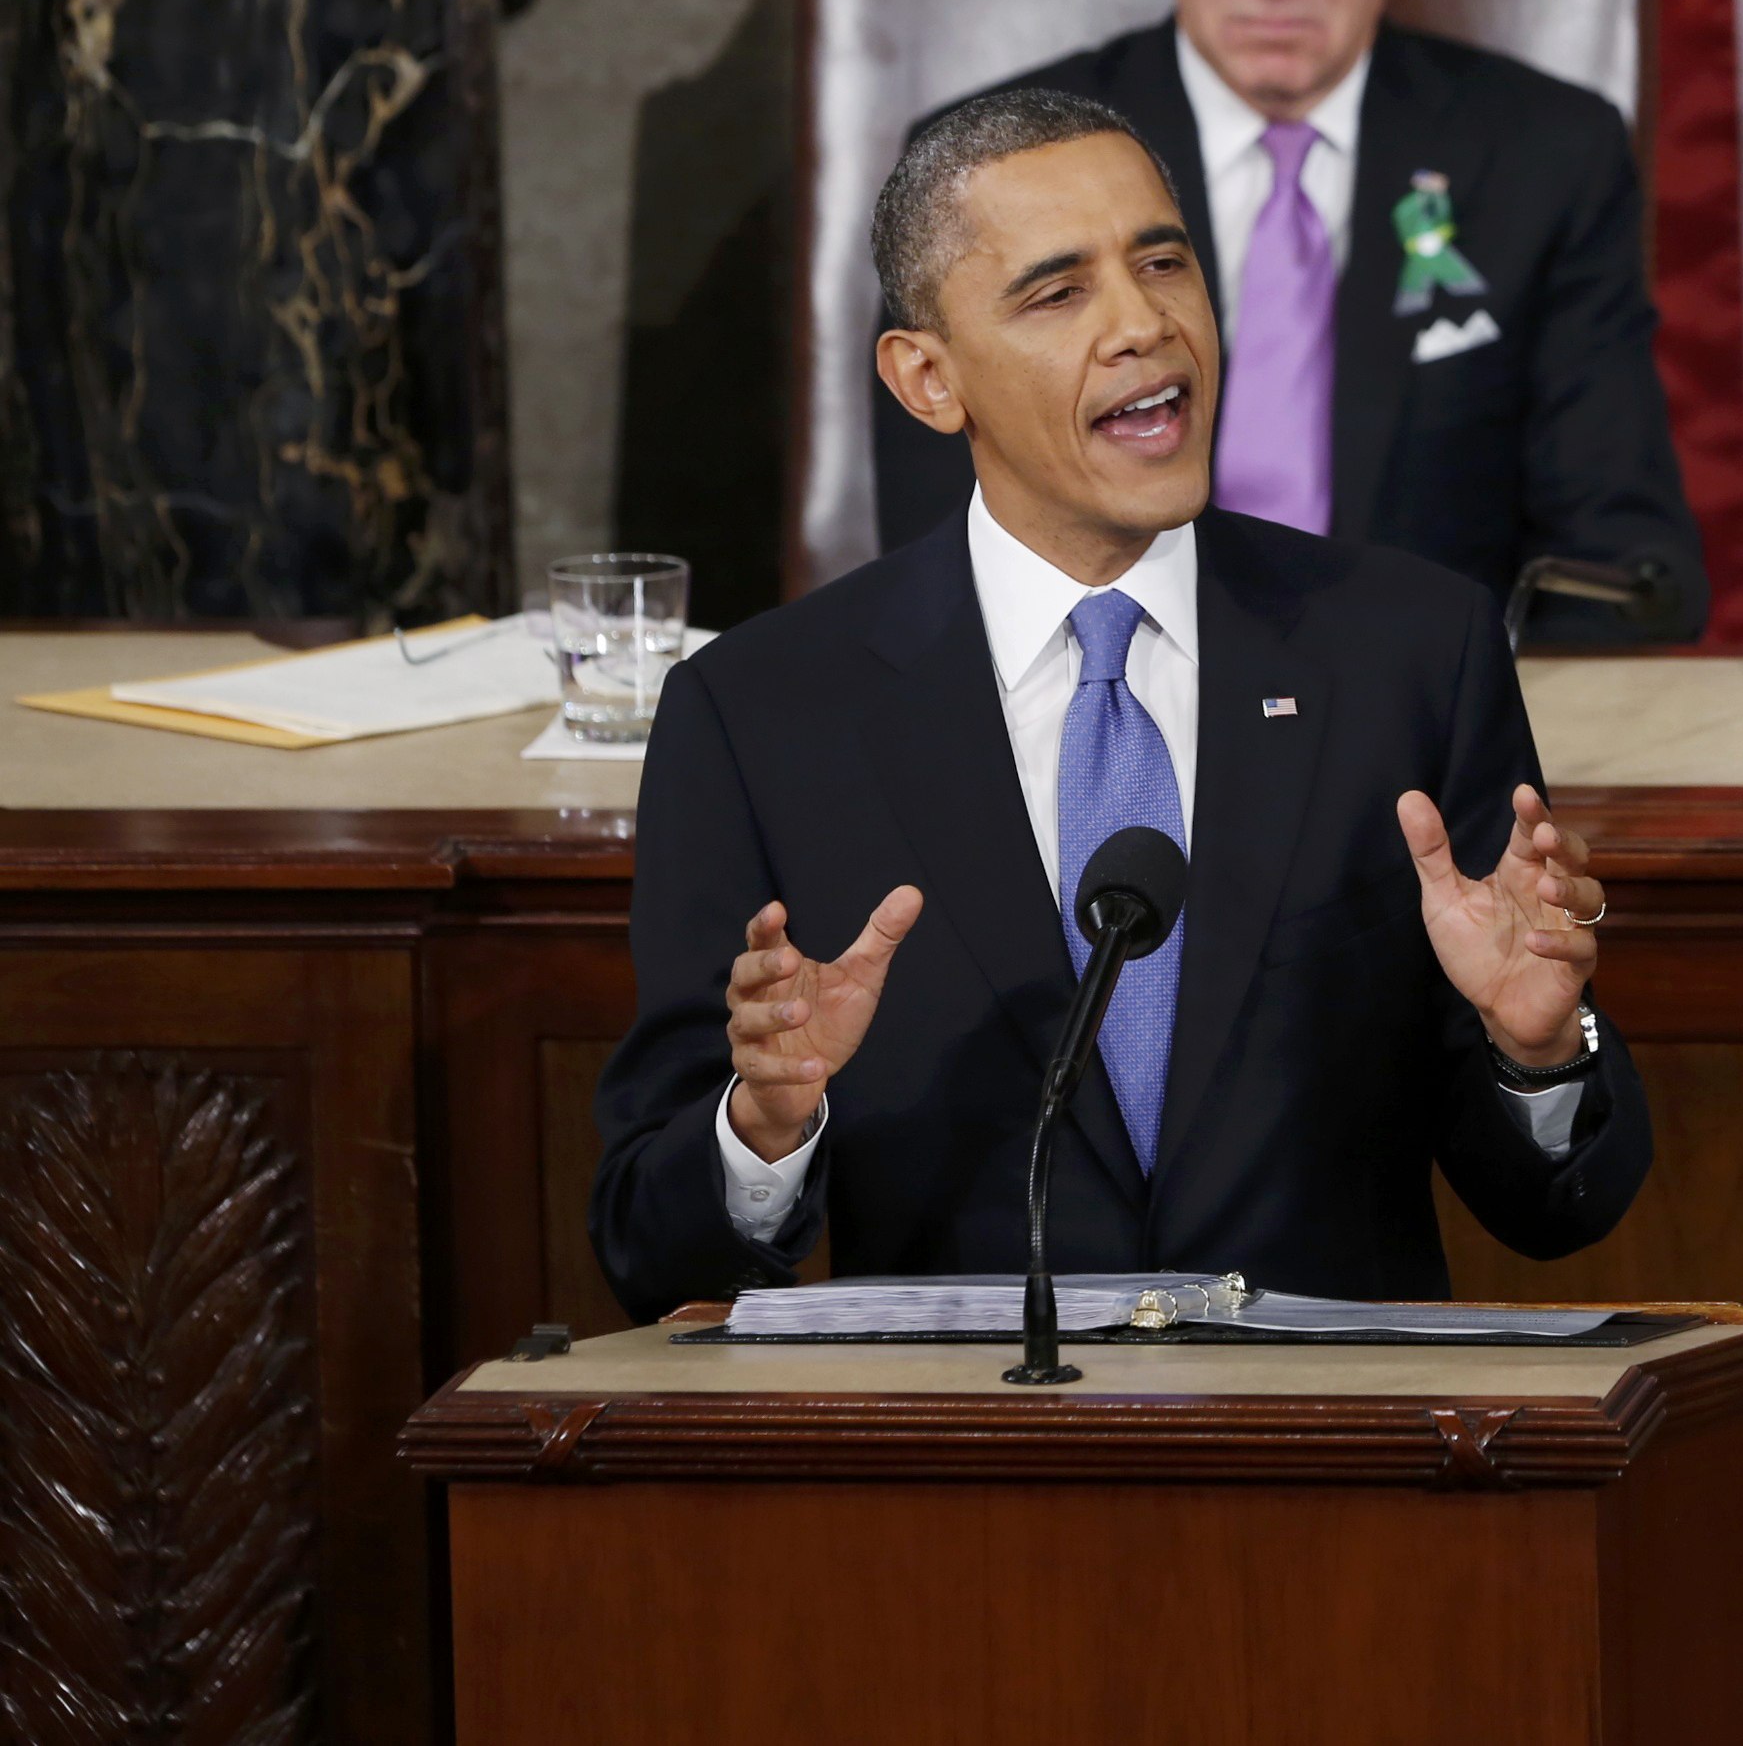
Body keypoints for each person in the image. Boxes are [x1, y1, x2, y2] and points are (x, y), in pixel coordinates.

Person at [592, 87, 1651, 1317]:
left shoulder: (1406, 650)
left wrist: (1531, 1049)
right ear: (928, 377)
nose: (1143, 322)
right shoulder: (761, 713)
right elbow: (649, 1250)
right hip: (970, 1469)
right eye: (1058, 292)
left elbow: (1557, 1210)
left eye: (1164, 262)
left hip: (1333, 1467)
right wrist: (763, 1124)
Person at [873, 0, 1707, 647]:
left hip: (1426, 746)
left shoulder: (1545, 154)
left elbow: (1618, 566)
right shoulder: (994, 176)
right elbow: (946, 548)